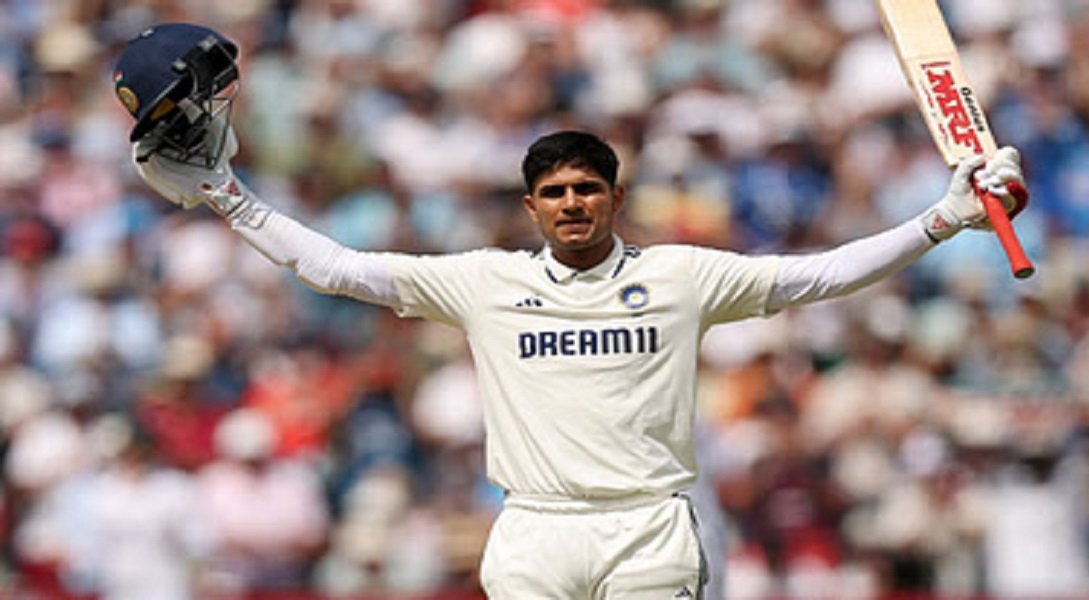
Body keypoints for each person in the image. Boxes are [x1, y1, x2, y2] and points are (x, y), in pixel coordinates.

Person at [117, 23, 1027, 600]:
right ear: (531, 208)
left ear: (615, 197)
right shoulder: (484, 283)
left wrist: (941, 219)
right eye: (553, 193)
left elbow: (819, 276)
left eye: (587, 189)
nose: (572, 205)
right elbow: (337, 270)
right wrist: (231, 198)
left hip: (649, 528)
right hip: (535, 529)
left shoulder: (680, 276)